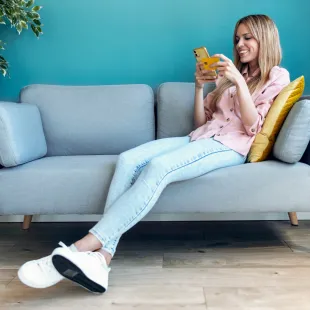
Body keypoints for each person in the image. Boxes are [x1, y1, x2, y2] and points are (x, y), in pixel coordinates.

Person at [18, 14, 290, 294]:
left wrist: (240, 83)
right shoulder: (231, 78)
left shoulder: (276, 76)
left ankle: (76, 250)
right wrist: (199, 87)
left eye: (247, 37)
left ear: (264, 38)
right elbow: (200, 123)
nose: (240, 44)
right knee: (128, 160)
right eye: (237, 38)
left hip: (230, 146)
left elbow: (252, 125)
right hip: (198, 138)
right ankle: (102, 258)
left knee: (159, 167)